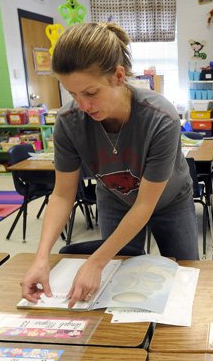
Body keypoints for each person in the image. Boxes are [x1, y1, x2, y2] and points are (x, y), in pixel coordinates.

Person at [21, 22, 199, 308]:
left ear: (118, 76)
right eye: (72, 95)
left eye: (90, 93)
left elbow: (144, 205)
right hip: (115, 199)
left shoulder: (160, 118)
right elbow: (63, 194)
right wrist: (41, 258)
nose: (83, 105)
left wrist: (95, 262)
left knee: (185, 276)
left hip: (170, 201)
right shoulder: (68, 122)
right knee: (117, 283)